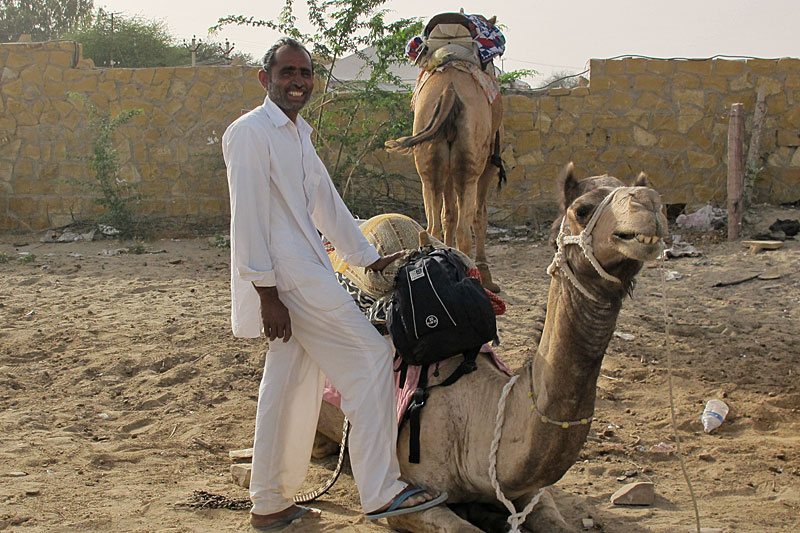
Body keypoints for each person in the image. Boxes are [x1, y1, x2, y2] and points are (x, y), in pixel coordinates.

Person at [222, 37, 447, 531]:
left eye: (305, 73)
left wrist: (367, 257)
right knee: (369, 358)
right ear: (266, 79)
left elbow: (326, 201)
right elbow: (248, 220)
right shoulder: (249, 133)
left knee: (289, 385)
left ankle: (269, 504)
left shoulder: (298, 134)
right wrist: (266, 294)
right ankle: (382, 490)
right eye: (287, 73)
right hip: (289, 278)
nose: (298, 81)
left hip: (308, 269)